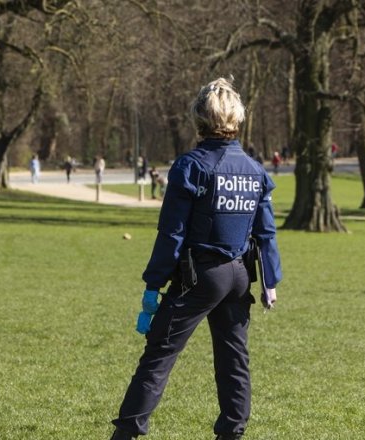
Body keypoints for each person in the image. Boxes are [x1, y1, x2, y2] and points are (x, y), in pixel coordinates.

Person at [109, 77, 283, 440]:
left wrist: (153, 284)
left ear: (199, 120)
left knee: (159, 352)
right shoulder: (255, 171)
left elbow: (171, 233)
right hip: (239, 276)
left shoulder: (190, 166)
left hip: (200, 276)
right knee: (234, 359)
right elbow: (266, 233)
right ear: (237, 120)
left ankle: (126, 433)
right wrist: (270, 280)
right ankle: (232, 433)